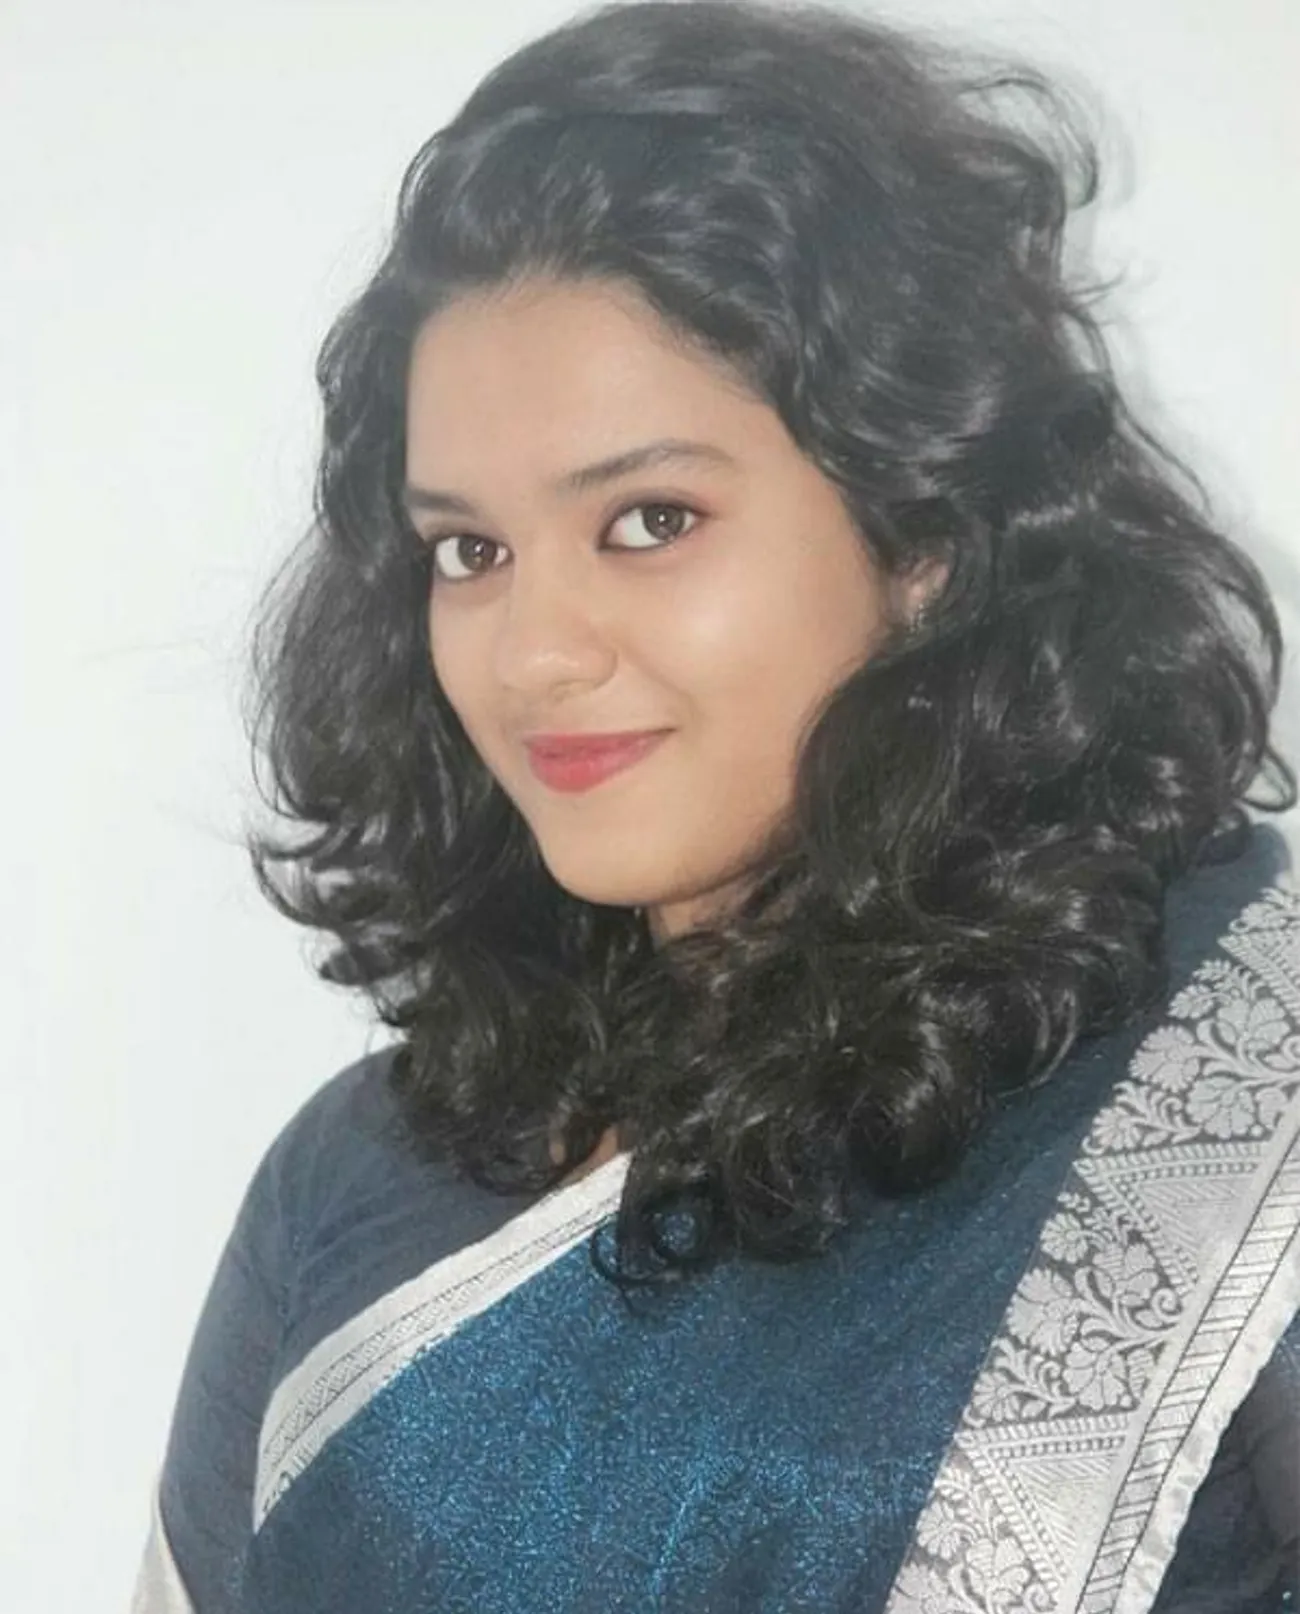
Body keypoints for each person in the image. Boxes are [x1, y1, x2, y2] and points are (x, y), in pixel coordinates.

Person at [132, 2, 1300, 1609]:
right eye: (469, 550)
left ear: (924, 526)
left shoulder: (1238, 1119)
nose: (532, 653)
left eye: (649, 520)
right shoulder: (358, 1180)